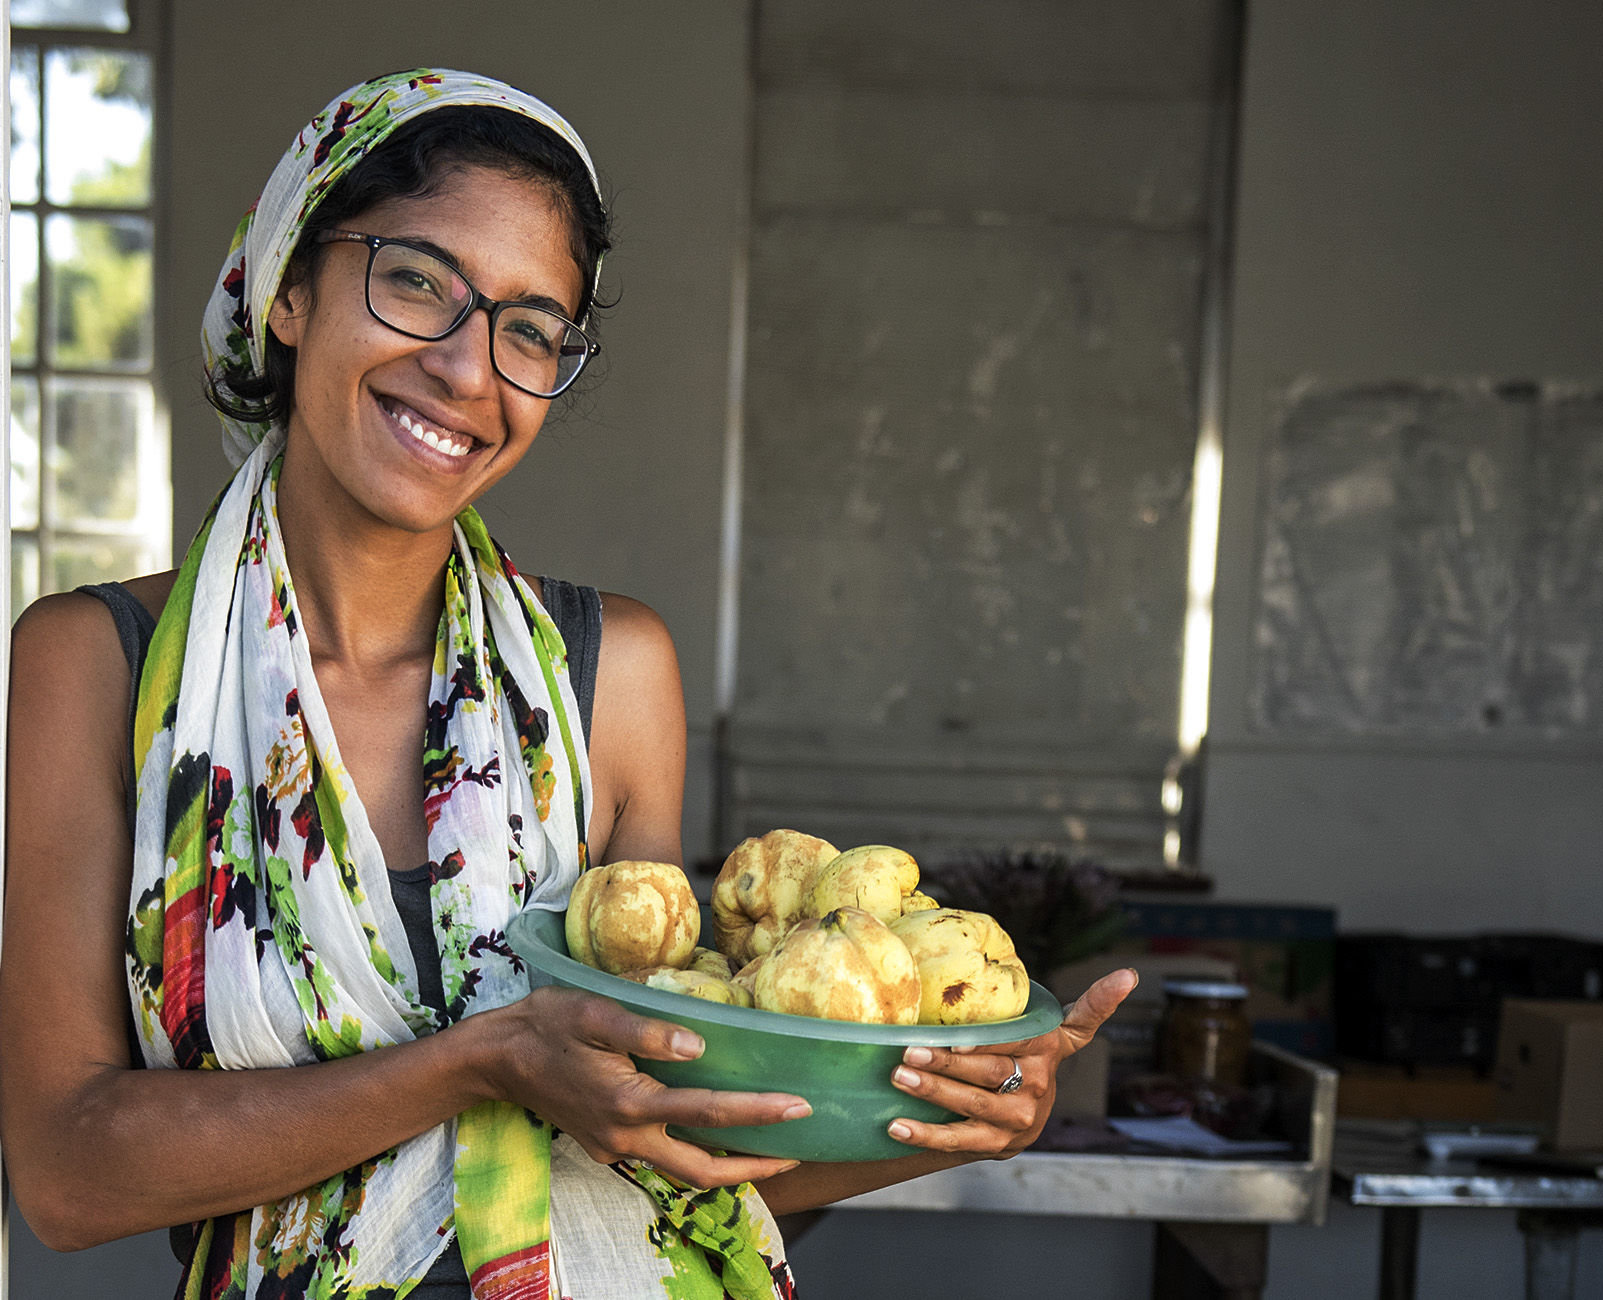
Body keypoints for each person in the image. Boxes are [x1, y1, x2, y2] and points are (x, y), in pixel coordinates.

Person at [0, 70, 1135, 1300]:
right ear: (288, 289)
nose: (467, 369)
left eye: (530, 328)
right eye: (418, 280)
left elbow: (685, 1159)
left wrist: (941, 1111)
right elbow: (67, 1178)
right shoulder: (100, 666)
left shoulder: (614, 676)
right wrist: (480, 1064)